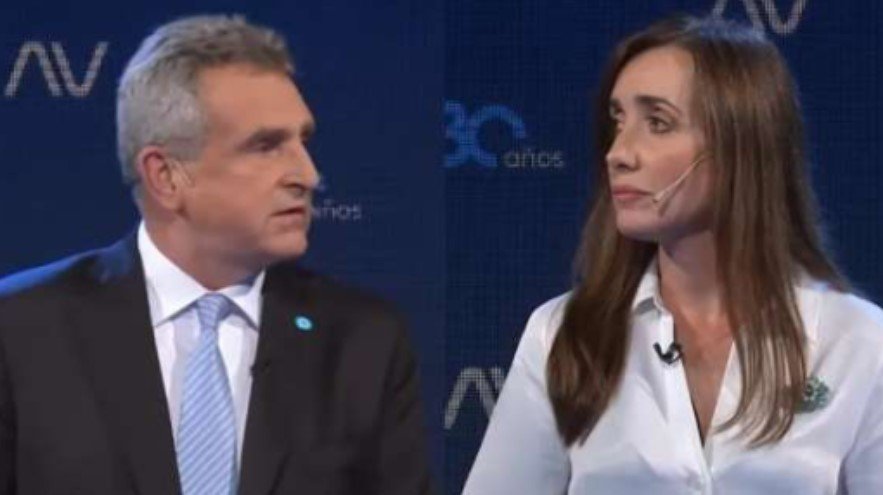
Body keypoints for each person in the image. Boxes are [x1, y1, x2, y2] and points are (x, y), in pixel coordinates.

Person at [0, 15, 433, 495]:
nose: (307, 175)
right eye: (266, 146)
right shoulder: (20, 330)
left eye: (303, 141)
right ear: (166, 176)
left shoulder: (362, 342)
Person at [464, 15, 883, 494]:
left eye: (658, 123)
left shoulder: (859, 341)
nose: (618, 153)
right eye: (618, 122)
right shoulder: (561, 333)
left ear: (740, 144)